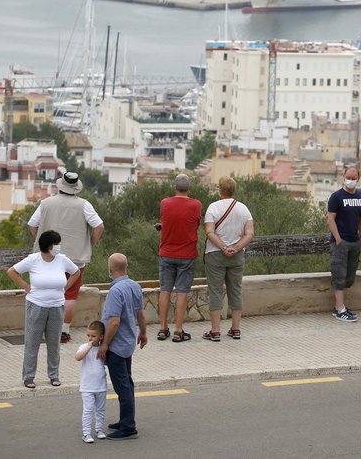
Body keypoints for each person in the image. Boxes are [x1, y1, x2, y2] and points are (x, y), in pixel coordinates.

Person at [27, 171, 105, 343]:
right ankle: (63, 331)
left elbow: (32, 225)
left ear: (60, 185)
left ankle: (40, 329)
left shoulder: (45, 203)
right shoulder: (84, 205)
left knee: (43, 292)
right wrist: (89, 244)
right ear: (76, 188)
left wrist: (43, 244)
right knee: (69, 295)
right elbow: (99, 227)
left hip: (48, 257)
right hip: (75, 259)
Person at [7, 230, 80, 388]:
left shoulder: (62, 260)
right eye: (56, 244)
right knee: (32, 343)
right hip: (36, 306)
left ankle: (54, 375)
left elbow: (76, 272)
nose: (58, 247)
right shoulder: (33, 260)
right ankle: (28, 377)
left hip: (57, 306)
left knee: (54, 344)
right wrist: (26, 286)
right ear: (48, 245)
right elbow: (12, 271)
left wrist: (66, 287)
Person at [98, 253, 148, 441]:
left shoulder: (115, 292)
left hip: (117, 347)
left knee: (123, 386)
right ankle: (125, 419)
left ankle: (128, 426)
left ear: (110, 270)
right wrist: (143, 333)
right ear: (127, 267)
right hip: (128, 343)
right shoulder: (135, 286)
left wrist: (104, 345)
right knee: (127, 383)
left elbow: (113, 322)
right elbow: (140, 314)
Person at [202, 176, 253, 340]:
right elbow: (249, 233)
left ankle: (215, 331)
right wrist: (236, 248)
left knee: (216, 291)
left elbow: (209, 232)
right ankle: (236, 329)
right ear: (234, 190)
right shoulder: (243, 209)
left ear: (220, 190)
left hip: (215, 254)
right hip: (237, 255)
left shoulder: (213, 208)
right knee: (236, 291)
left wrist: (223, 247)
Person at [156, 173, 201, 343]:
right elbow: (194, 224)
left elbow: (168, 220)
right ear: (189, 188)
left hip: (167, 252)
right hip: (187, 254)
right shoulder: (196, 205)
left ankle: (162, 328)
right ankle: (178, 330)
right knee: (181, 292)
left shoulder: (165, 203)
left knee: (165, 290)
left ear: (174, 187)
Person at [327, 166, 361, 322]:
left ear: (358, 179)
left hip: (355, 242)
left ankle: (341, 305)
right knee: (339, 276)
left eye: (353, 177)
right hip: (340, 243)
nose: (351, 180)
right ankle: (339, 308)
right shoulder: (336, 197)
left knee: (349, 277)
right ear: (343, 177)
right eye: (348, 177)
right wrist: (338, 238)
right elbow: (330, 219)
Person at [74, 320, 108, 443]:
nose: (90, 338)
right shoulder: (84, 347)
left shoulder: (103, 348)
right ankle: (86, 433)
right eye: (88, 335)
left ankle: (99, 429)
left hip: (100, 386)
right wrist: (88, 347)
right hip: (87, 386)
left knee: (100, 409)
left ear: (101, 337)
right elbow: (77, 357)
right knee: (88, 409)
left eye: (93, 336)